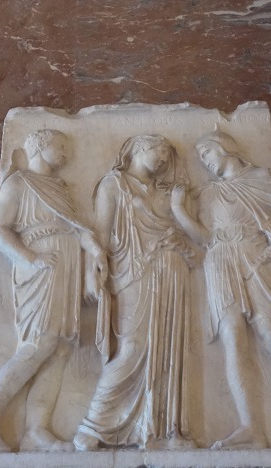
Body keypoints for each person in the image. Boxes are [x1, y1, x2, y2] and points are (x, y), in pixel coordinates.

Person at [170, 129, 271, 449]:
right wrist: (179, 210)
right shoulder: (207, 194)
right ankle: (251, 428)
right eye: (200, 158)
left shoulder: (262, 179)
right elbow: (204, 237)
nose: (204, 161)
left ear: (224, 147)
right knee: (233, 338)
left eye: (207, 153)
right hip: (220, 263)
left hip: (256, 258)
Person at [0, 129, 105, 452]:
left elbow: (75, 229)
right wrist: (31, 258)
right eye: (61, 146)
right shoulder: (18, 183)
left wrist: (95, 251)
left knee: (61, 347)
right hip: (42, 265)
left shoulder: (60, 188)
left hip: (66, 266)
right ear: (41, 146)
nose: (66, 153)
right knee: (41, 341)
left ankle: (37, 430)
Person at [73, 134, 197, 451]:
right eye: (159, 151)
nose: (164, 159)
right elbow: (100, 234)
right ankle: (94, 424)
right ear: (138, 149)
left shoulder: (167, 192)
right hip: (131, 273)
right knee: (132, 347)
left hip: (171, 273)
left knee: (167, 350)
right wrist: (91, 274)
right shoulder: (113, 184)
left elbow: (191, 239)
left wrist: (178, 224)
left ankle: (163, 431)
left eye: (168, 155)